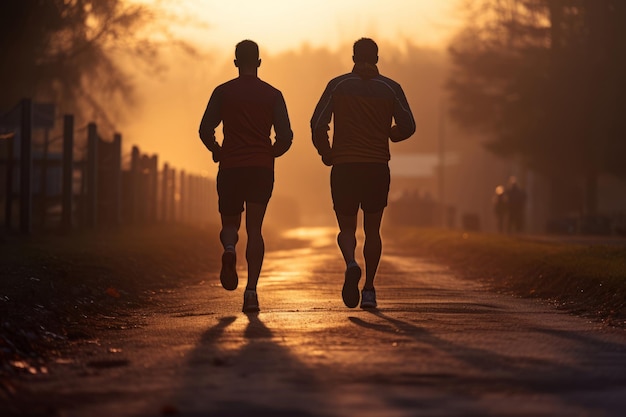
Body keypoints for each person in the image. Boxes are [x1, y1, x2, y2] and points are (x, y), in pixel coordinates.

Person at [310, 37, 416, 309]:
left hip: (344, 166)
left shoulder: (338, 85)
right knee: (373, 231)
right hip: (376, 167)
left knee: (346, 229)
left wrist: (327, 151)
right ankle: (369, 289)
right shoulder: (391, 89)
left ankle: (350, 262)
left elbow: (317, 122)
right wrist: (389, 134)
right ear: (377, 59)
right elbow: (409, 125)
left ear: (354, 58)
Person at [199, 40, 293, 313]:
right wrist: (270, 153)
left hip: (230, 167)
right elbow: (286, 137)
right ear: (259, 62)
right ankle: (251, 292)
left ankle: (229, 248)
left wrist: (216, 150)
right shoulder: (273, 95)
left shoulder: (223, 92)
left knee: (231, 224)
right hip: (260, 168)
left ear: (236, 62)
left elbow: (205, 129)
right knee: (255, 229)